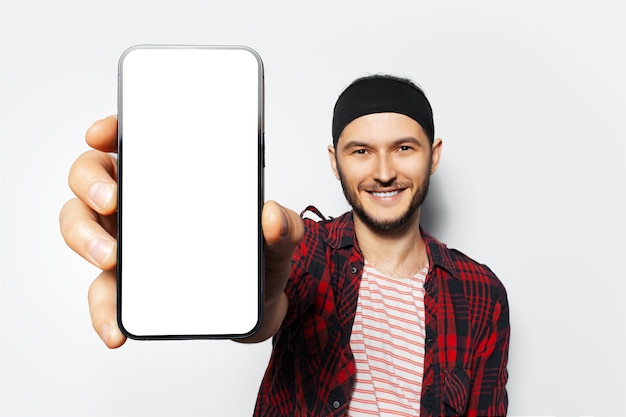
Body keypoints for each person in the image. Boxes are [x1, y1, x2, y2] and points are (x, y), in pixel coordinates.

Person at [60, 74, 510, 416]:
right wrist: (174, 237)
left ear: (434, 154)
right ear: (335, 162)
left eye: (404, 148)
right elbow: (261, 311)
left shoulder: (480, 291)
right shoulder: (302, 248)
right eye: (360, 151)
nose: (384, 171)